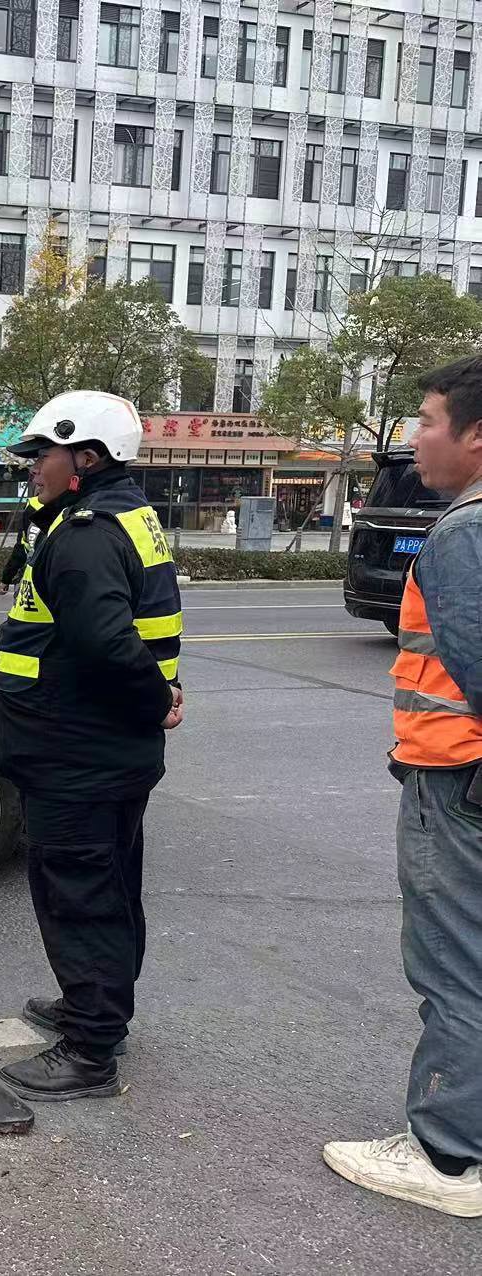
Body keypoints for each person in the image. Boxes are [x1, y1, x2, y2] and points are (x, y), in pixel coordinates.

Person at [0, 390, 184, 1102]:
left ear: (88, 458)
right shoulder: (125, 515)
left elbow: (105, 642)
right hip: (105, 747)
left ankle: (91, 1048)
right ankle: (96, 1008)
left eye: (43, 452)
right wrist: (159, 694)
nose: (32, 466)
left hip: (77, 752)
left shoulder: (86, 535)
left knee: (80, 894)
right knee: (110, 884)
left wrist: (157, 699)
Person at [322, 355, 482, 1218]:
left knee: (456, 965)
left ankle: (449, 1155)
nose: (414, 438)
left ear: (476, 435)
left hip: (458, 781)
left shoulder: (463, 534)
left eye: (426, 420)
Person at [0, 489, 51, 597]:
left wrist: (6, 579)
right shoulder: (69, 507)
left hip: (31, 576)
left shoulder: (32, 506)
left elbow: (21, 549)